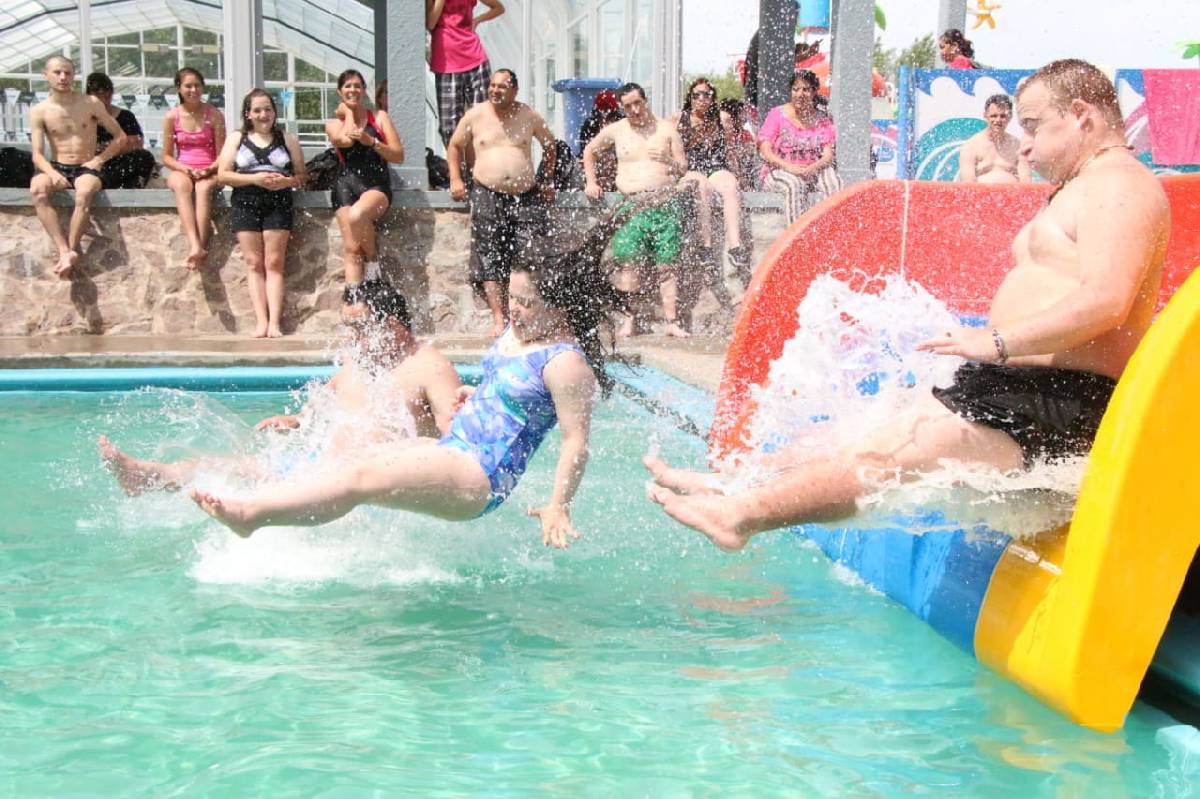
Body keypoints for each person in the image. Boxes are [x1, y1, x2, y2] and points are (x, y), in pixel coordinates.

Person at [645, 59, 1170, 553]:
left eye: (1033, 126)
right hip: (1019, 383)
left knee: (887, 454)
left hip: (1056, 396)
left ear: (1081, 116)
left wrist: (996, 342)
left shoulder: (1120, 185)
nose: (1025, 148)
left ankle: (739, 515)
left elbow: (1108, 300)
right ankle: (737, 483)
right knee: (868, 431)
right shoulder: (1083, 188)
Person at [187, 212, 634, 548]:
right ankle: (289, 527)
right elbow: (515, 397)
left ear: (559, 306)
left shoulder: (565, 363)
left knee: (359, 475)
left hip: (480, 475)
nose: (513, 309)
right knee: (351, 457)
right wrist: (473, 396)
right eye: (512, 298)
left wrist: (559, 504)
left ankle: (251, 516)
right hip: (454, 450)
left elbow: (576, 441)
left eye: (527, 303)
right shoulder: (521, 336)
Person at [99, 280, 463, 495]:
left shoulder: (428, 365)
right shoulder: (360, 358)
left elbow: (455, 435)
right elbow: (333, 399)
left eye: (360, 328)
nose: (352, 337)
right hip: (325, 465)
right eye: (348, 328)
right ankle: (145, 475)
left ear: (394, 326)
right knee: (232, 467)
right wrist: (298, 420)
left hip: (376, 481)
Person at [447, 69, 556, 338]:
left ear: (515, 90)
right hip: (487, 192)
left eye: (502, 86)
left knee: (530, 253)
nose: (495, 90)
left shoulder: (528, 115)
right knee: (489, 255)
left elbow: (550, 145)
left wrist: (547, 179)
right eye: (492, 86)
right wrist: (455, 179)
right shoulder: (476, 115)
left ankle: (527, 313)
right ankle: (499, 319)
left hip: (526, 194)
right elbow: (455, 145)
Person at [583, 82, 690, 339]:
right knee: (629, 263)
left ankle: (672, 322)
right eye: (628, 106)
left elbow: (683, 167)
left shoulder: (666, 130)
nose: (634, 109)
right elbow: (589, 151)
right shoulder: (617, 131)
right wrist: (591, 181)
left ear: (645, 101)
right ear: (623, 107)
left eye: (637, 103)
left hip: (664, 204)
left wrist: (667, 161)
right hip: (631, 205)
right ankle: (629, 321)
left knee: (668, 264)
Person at [216, 89, 308, 338]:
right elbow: (223, 174)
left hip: (278, 201)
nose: (263, 114)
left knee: (274, 263)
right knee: (253, 263)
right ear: (248, 114)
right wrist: (254, 178)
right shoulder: (237, 138)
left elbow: (302, 176)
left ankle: (275, 323)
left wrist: (286, 182)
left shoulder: (287, 139)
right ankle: (261, 321)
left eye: (267, 109)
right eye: (257, 110)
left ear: (274, 112)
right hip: (246, 200)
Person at [29, 56, 127, 278]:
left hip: (86, 165)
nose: (63, 77)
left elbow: (120, 137)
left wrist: (99, 160)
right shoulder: (40, 110)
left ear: (73, 75)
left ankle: (71, 249)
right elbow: (37, 154)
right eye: (57, 72)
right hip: (57, 165)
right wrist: (52, 173)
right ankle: (63, 249)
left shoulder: (90, 103)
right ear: (46, 75)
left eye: (67, 73)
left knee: (84, 192)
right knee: (37, 188)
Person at [325, 69, 405, 308]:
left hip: (374, 183)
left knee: (358, 214)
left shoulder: (379, 117)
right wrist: (348, 112)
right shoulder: (332, 123)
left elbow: (398, 155)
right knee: (351, 248)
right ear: (339, 91)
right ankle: (355, 305)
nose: (353, 90)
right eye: (347, 86)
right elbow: (345, 141)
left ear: (364, 90)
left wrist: (372, 142)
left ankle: (372, 262)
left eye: (357, 86)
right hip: (345, 184)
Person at [673, 78, 752, 276]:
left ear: (713, 98)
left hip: (715, 166)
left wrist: (741, 176)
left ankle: (735, 247)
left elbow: (729, 151)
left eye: (706, 94)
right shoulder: (677, 120)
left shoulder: (722, 118)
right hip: (692, 168)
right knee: (702, 187)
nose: (701, 98)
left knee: (730, 187)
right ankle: (706, 247)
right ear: (690, 98)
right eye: (696, 95)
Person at [757, 71, 842, 225]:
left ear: (814, 92)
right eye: (796, 89)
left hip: (813, 170)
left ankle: (833, 234)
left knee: (834, 181)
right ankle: (797, 241)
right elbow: (765, 150)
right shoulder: (777, 115)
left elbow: (828, 156)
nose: (800, 94)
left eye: (806, 89)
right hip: (779, 171)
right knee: (794, 184)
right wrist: (790, 167)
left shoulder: (822, 119)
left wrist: (811, 168)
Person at [162, 67, 224, 270]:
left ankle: (201, 245)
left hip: (210, 170)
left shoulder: (214, 115)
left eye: (197, 85)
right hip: (183, 169)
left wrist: (209, 170)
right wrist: (184, 168)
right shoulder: (172, 117)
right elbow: (166, 156)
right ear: (179, 89)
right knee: (182, 186)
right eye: (188, 86)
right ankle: (194, 243)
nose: (193, 90)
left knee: (203, 188)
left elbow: (222, 154)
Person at [427, 0, 505, 148]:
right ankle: (457, 168)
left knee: (485, 118)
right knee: (449, 127)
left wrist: (478, 20)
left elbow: (499, 8)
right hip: (446, 62)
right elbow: (431, 22)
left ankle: (481, 165)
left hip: (475, 57)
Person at [85, 72, 156, 190]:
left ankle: (110, 182)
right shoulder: (82, 117)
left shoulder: (125, 116)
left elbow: (136, 143)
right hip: (92, 163)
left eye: (107, 95)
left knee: (144, 156)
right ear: (89, 95)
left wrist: (107, 150)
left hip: (118, 163)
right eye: (98, 95)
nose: (102, 99)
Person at [958, 94, 1032, 184]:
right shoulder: (971, 147)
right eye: (994, 116)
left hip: (1011, 197)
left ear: (1010, 117)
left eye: (1003, 116)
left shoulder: (1018, 147)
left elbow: (1026, 183)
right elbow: (968, 184)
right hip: (982, 196)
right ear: (985, 116)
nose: (998, 120)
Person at [577, 90, 623, 192]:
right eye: (601, 115)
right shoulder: (590, 124)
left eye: (611, 115)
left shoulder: (622, 123)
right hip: (597, 166)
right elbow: (585, 153)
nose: (605, 117)